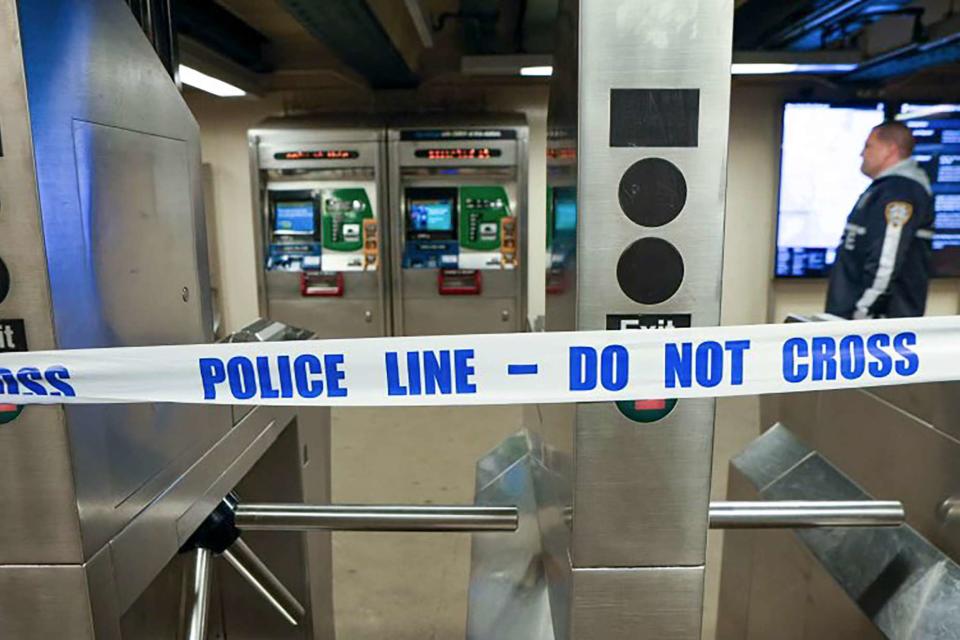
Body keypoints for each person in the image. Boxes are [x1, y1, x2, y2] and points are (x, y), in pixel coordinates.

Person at [826, 121, 935, 319]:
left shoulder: (900, 191)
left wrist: (863, 313)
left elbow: (887, 258)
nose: (862, 154)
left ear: (889, 150)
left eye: (868, 146)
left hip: (878, 325)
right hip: (860, 320)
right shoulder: (884, 188)